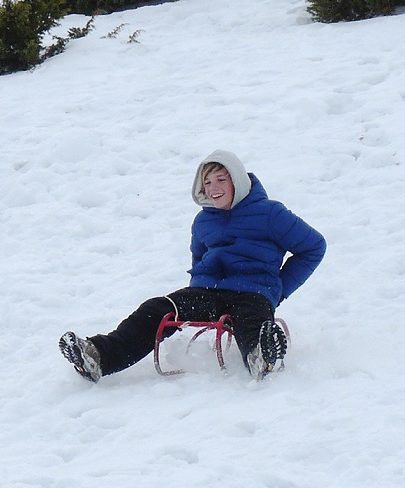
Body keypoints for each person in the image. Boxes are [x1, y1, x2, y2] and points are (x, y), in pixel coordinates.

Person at [60, 150, 326, 382]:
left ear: (238, 181)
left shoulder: (270, 214)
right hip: (208, 292)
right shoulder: (203, 221)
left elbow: (313, 247)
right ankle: (99, 356)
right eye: (206, 182)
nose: (213, 188)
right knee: (156, 309)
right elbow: (199, 259)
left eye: (221, 179)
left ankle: (262, 357)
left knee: (251, 320)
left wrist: (277, 291)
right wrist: (199, 285)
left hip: (252, 292)